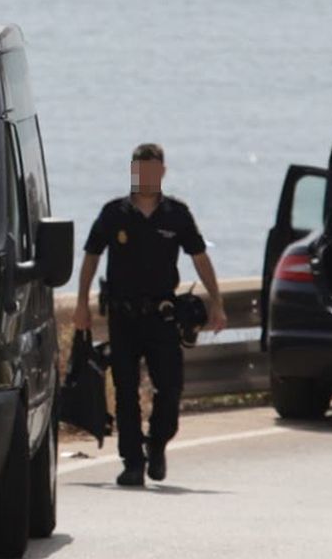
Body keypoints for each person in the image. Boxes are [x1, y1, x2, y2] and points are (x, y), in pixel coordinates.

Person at [72, 143, 228, 487]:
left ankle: (157, 445)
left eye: (152, 171)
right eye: (140, 170)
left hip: (162, 317)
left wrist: (217, 302)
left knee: (170, 389)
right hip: (123, 317)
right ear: (133, 172)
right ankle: (132, 462)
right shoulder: (114, 213)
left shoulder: (177, 215)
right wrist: (82, 304)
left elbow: (200, 258)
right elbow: (91, 257)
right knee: (125, 391)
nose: (146, 177)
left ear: (162, 173)